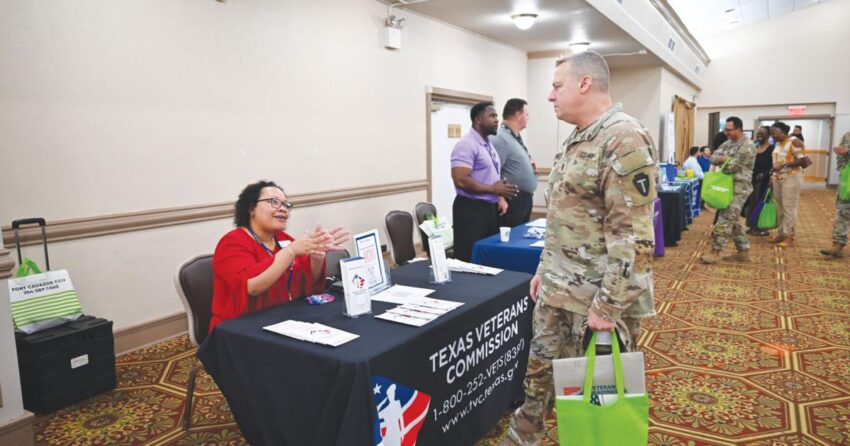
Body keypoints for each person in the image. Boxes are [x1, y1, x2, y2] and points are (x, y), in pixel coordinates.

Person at [501, 51, 657, 446]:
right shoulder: (578, 138)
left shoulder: (624, 137)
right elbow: (562, 218)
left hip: (595, 302)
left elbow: (634, 239)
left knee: (597, 397)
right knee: (538, 378)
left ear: (584, 83)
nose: (550, 97)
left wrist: (607, 307)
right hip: (557, 290)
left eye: (557, 86)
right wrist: (542, 269)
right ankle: (523, 437)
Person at [210, 180, 350, 331]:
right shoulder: (232, 243)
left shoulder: (283, 238)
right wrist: (290, 252)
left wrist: (317, 256)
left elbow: (309, 283)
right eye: (274, 202)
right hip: (240, 329)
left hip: (282, 319)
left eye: (285, 204)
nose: (283, 209)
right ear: (251, 208)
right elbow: (251, 287)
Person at [451, 102, 519, 261]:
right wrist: (493, 190)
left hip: (489, 209)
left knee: (488, 254)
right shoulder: (466, 145)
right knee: (469, 255)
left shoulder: (488, 144)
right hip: (471, 209)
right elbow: (460, 180)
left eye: (496, 116)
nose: (497, 120)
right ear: (478, 120)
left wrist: (500, 196)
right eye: (492, 116)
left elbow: (492, 175)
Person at [700, 116, 756, 264]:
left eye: (729, 130)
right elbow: (712, 157)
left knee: (724, 219)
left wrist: (725, 159)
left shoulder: (748, 146)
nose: (726, 133)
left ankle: (715, 251)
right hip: (726, 186)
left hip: (739, 188)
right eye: (725, 129)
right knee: (734, 220)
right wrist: (724, 158)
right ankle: (743, 252)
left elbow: (732, 167)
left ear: (739, 129)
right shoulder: (728, 143)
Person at [491, 98, 538, 227]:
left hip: (523, 200)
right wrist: (500, 198)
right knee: (510, 241)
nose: (528, 118)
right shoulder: (500, 138)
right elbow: (492, 171)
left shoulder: (513, 136)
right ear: (518, 115)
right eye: (526, 115)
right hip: (511, 200)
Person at [769, 121, 806, 247]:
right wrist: (772, 176)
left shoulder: (795, 141)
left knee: (788, 207)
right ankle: (782, 233)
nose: (772, 136)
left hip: (791, 177)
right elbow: (776, 162)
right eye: (771, 134)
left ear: (783, 132)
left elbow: (804, 160)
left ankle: (790, 236)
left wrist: (784, 165)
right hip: (777, 178)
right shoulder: (778, 144)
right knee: (779, 207)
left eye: (774, 133)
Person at [820, 131, 850, 258]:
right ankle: (837, 245)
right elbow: (841, 158)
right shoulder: (848, 135)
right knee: (842, 213)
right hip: (847, 180)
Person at [743, 126, 775, 235]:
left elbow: (773, 166)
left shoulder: (772, 148)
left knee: (761, 203)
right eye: (758, 133)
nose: (760, 136)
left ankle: (762, 228)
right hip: (752, 179)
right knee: (752, 203)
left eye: (762, 134)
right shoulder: (754, 146)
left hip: (764, 181)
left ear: (768, 135)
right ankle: (752, 226)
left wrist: (765, 174)